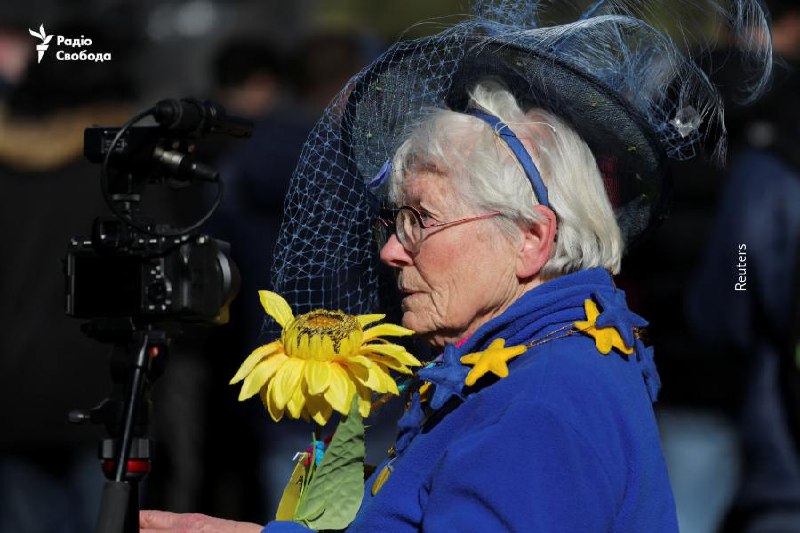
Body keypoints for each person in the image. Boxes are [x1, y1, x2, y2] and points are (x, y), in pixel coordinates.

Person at [140, 0, 772, 531]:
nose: (391, 249)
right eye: (396, 221)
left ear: (530, 238)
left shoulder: (542, 404)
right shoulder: (531, 369)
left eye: (423, 219)